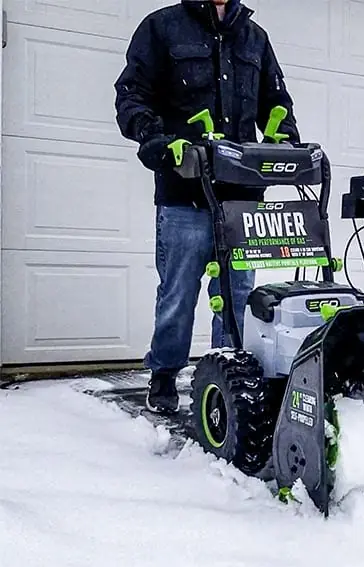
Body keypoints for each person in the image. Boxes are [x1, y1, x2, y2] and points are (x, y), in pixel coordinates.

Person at [114, 0, 300, 414]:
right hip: (185, 194)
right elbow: (131, 96)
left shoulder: (255, 38)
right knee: (178, 294)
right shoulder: (162, 28)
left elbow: (277, 99)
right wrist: (158, 141)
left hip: (241, 198)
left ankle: (226, 380)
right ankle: (164, 374)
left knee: (236, 297)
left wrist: (283, 135)